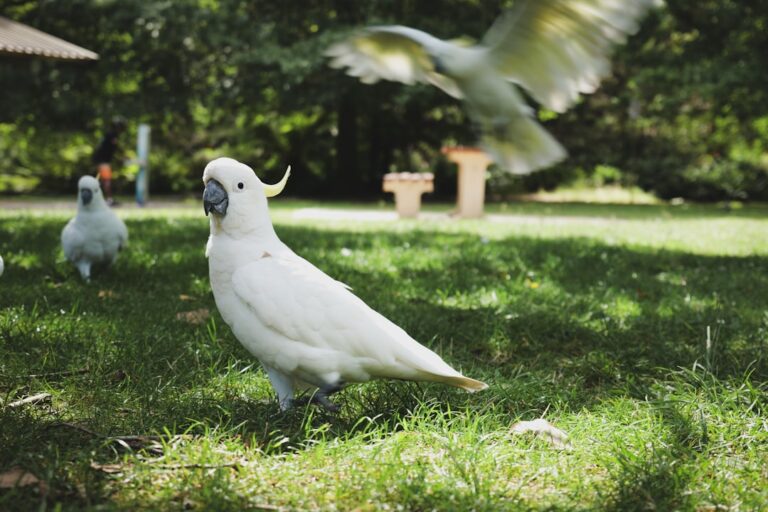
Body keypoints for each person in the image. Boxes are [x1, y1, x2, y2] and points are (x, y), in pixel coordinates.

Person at [92, 117, 126, 206]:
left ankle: (104, 199)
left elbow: (110, 149)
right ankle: (109, 200)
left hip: (100, 160)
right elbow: (116, 148)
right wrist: (122, 156)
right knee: (107, 180)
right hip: (103, 161)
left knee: (103, 180)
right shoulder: (113, 135)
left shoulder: (109, 135)